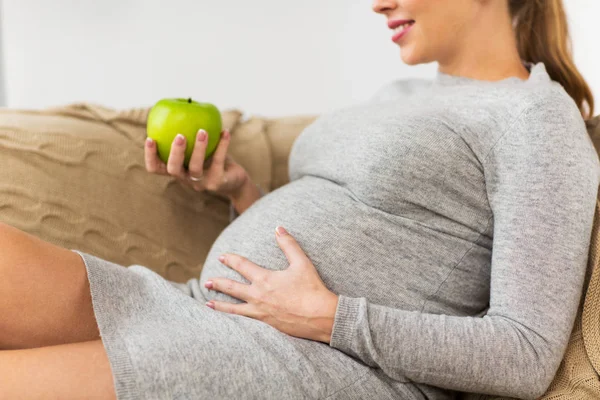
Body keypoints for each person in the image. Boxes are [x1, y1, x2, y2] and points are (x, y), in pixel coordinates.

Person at [1, 0, 598, 399]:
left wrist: (330, 318)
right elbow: (366, 225)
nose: (378, 2)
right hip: (207, 306)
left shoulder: (535, 119)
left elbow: (525, 352)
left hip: (308, 362)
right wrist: (243, 194)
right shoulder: (402, 90)